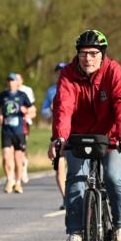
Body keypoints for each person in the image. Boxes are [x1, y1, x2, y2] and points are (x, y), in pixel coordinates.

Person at [48, 29, 121, 241]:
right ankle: (76, 231)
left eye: (93, 53)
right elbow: (63, 108)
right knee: (76, 180)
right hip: (77, 137)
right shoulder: (68, 74)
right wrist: (60, 138)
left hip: (111, 137)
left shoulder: (114, 71)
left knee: (113, 177)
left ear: (102, 54)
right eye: (83, 53)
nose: (88, 58)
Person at [0, 73, 33, 194]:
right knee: (6, 157)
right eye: (9, 80)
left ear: (17, 83)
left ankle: (18, 182)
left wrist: (26, 111)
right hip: (6, 130)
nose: (11, 83)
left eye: (13, 80)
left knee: (18, 158)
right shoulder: (2, 95)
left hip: (19, 131)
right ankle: (9, 180)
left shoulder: (22, 95)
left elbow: (33, 111)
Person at [41, 63, 68, 207]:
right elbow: (44, 112)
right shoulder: (51, 90)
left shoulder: (75, 86)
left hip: (74, 133)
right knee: (59, 169)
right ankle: (65, 198)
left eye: (63, 71)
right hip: (58, 132)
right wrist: (51, 110)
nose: (60, 74)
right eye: (58, 72)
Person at [15, 73, 37, 184]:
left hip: (24, 122)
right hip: (11, 125)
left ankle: (24, 170)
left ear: (22, 80)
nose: (16, 81)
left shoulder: (27, 90)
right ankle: (15, 175)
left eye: (18, 79)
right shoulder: (8, 91)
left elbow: (32, 107)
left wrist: (26, 113)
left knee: (23, 147)